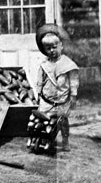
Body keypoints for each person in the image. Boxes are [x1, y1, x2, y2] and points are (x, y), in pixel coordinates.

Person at [35, 23, 79, 152]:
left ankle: (65, 140)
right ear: (44, 50)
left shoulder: (68, 64)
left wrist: (73, 95)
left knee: (62, 121)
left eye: (54, 47)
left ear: (61, 46)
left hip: (62, 100)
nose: (52, 50)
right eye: (48, 48)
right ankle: (45, 139)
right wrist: (38, 93)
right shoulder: (44, 65)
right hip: (46, 99)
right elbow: (39, 80)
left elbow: (73, 81)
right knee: (43, 120)